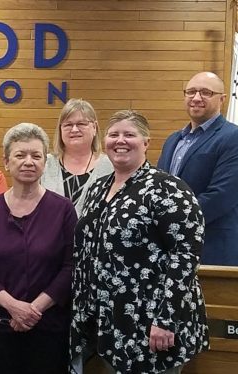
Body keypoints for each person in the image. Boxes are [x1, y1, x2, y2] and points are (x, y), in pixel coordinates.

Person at [70, 110, 209, 374]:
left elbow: (186, 254)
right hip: (111, 322)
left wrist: (166, 320)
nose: (120, 140)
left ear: (146, 142)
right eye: (113, 134)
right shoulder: (98, 187)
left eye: (129, 134)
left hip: (153, 325)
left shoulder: (169, 189)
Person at [0, 123, 76, 374]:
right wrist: (14, 307)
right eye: (20, 155)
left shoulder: (63, 210)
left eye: (36, 155)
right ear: (6, 162)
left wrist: (34, 309)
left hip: (48, 326)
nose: (28, 161)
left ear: (45, 162)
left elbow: (70, 266)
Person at [158, 71, 238, 266]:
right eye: (191, 92)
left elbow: (221, 196)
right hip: (170, 250)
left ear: (222, 99)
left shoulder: (233, 137)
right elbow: (158, 187)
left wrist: (170, 220)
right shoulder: (173, 140)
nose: (196, 98)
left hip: (212, 247)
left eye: (206, 92)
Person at [42, 98, 112, 214]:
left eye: (81, 124)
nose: (74, 129)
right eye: (68, 125)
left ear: (94, 127)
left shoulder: (110, 166)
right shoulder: (45, 163)